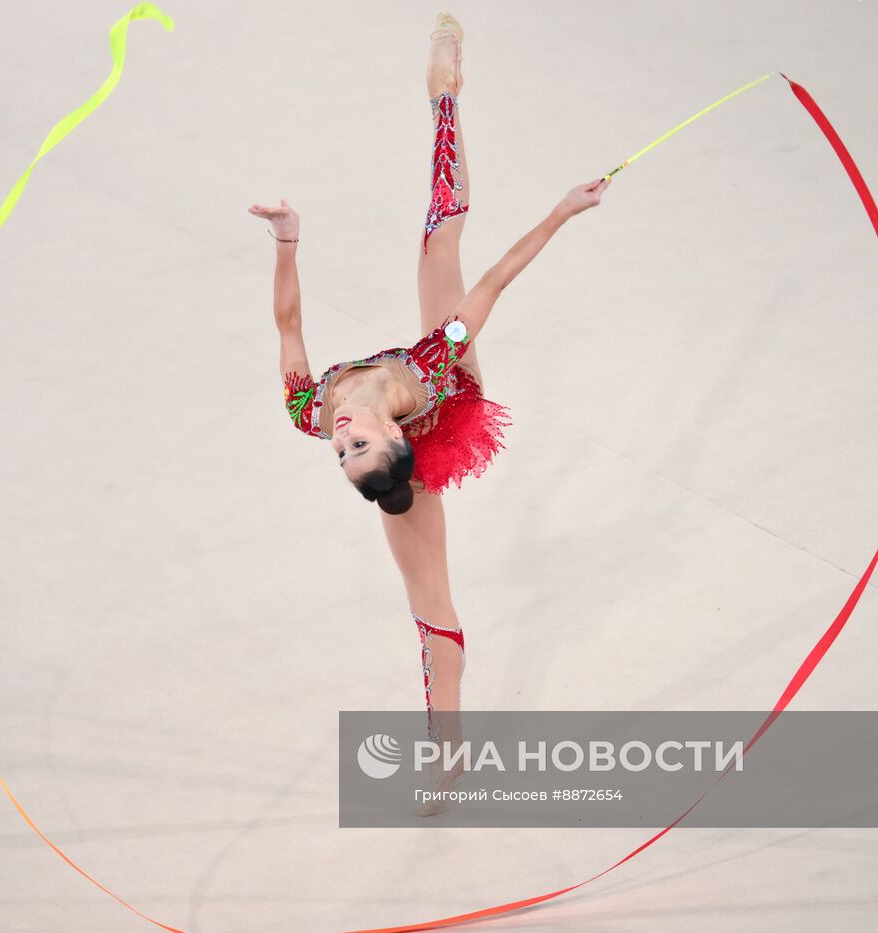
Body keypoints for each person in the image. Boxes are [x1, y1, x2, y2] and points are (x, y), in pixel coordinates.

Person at [248, 12, 611, 811]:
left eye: (344, 453)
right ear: (393, 434)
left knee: (435, 239)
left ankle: (443, 98)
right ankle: (449, 752)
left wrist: (287, 241)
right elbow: (495, 285)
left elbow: (287, 327)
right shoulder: (427, 370)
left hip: (419, 389)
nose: (343, 440)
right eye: (361, 446)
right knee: (432, 609)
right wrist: (561, 211)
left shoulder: (311, 409)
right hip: (451, 396)